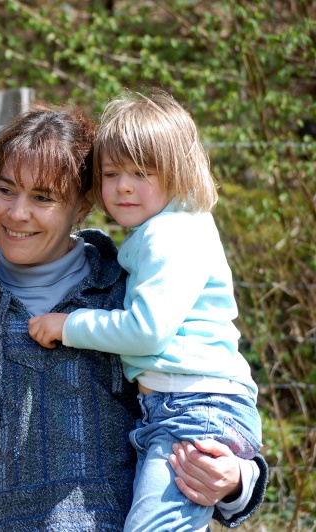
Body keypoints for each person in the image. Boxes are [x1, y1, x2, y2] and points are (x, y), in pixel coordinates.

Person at [0, 104, 267, 530]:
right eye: (5, 190)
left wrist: (236, 480)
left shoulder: (132, 295)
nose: (16, 213)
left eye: (43, 198)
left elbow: (205, 402)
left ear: (83, 206)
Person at [27, 90, 262, 530]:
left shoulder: (167, 236)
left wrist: (69, 324)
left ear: (177, 172)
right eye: (111, 173)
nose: (123, 187)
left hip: (194, 405)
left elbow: (146, 331)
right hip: (183, 403)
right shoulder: (168, 229)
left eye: (141, 172)